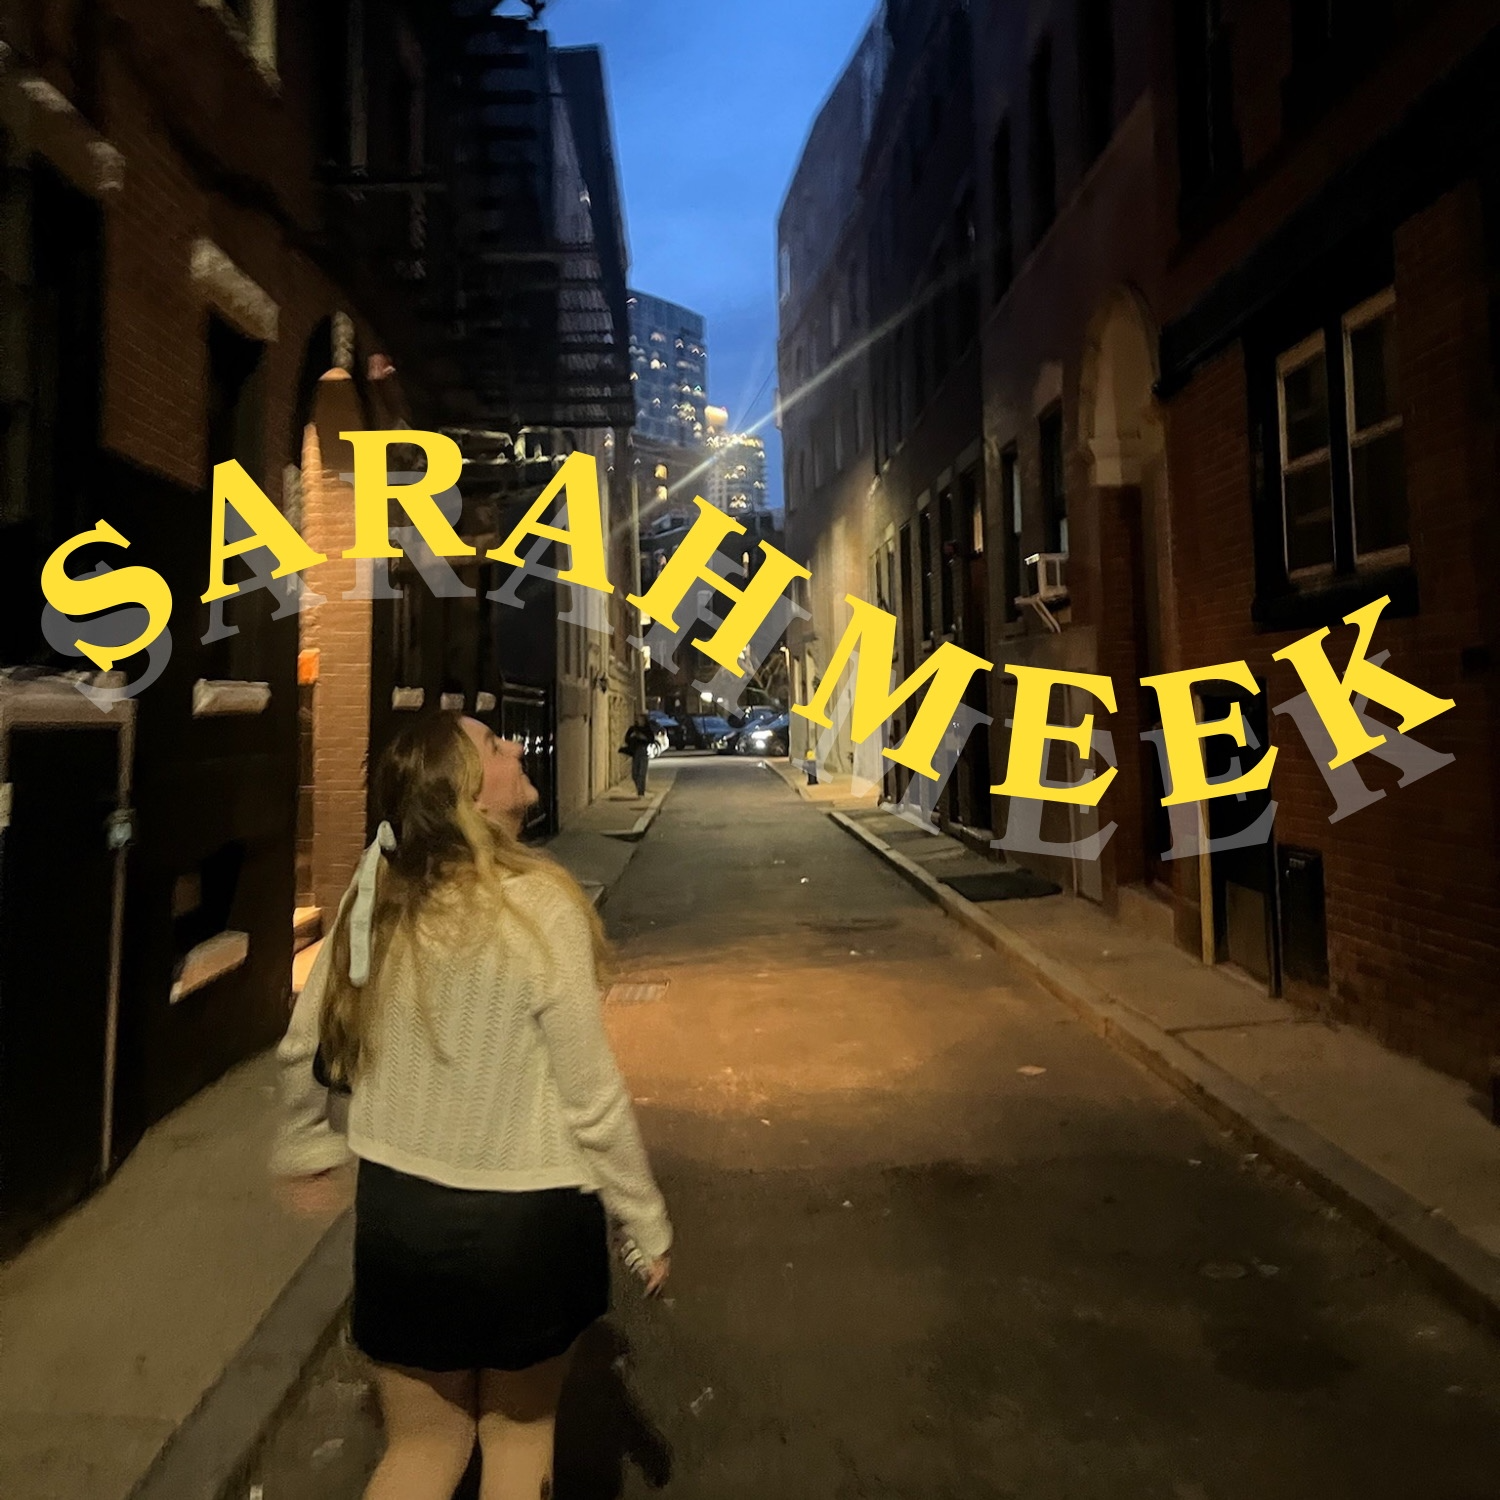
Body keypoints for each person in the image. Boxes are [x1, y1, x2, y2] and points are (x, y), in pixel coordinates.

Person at [272, 712, 671, 1500]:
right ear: (464, 794)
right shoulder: (539, 905)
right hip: (528, 1223)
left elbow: (300, 1045)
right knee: (519, 1447)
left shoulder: (374, 893)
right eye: (494, 745)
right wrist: (644, 1219)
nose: (518, 745)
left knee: (423, 1449)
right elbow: (589, 1096)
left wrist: (305, 1141)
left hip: (402, 1216)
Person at [621, 714, 654, 798]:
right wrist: (632, 737)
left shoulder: (647, 729)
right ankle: (639, 788)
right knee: (634, 774)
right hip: (635, 752)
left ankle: (641, 792)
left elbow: (651, 739)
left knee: (642, 773)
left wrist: (643, 737)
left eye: (642, 720)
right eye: (639, 719)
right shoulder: (633, 729)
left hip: (643, 751)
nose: (640, 721)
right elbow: (627, 739)